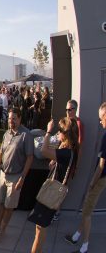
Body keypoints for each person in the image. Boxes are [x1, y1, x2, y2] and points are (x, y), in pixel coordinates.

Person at [0, 108, 34, 244]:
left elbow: (29, 158)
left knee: (9, 206)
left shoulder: (26, 135)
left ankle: (2, 231)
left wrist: (22, 177)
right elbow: (1, 151)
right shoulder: (6, 133)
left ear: (20, 119)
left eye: (14, 118)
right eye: (10, 118)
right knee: (1, 203)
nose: (11, 121)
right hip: (3, 174)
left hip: (16, 176)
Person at [28, 117, 78, 253]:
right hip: (54, 192)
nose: (58, 133)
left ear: (65, 134)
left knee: (40, 228)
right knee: (40, 227)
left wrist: (48, 132)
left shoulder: (66, 153)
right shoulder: (70, 150)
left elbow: (43, 151)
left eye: (59, 130)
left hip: (51, 193)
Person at [64, 102, 106, 253]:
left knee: (87, 212)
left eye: (101, 118)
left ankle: (84, 246)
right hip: (101, 178)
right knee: (86, 208)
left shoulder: (105, 137)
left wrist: (92, 184)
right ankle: (76, 236)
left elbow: (101, 166)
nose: (100, 122)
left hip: (100, 179)